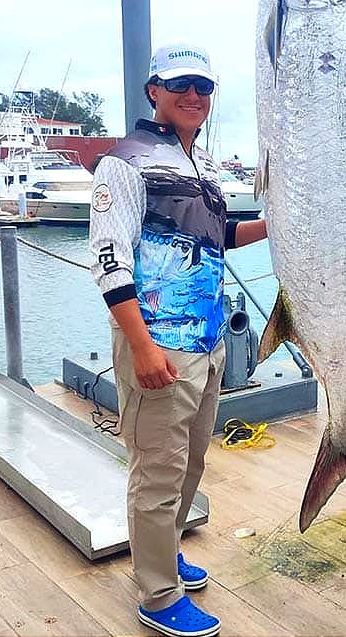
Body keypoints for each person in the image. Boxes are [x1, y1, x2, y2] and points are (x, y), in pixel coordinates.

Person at [89, 43, 266, 637]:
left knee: (189, 461)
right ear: (153, 92)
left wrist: (276, 224)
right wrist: (141, 346)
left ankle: (162, 553)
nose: (195, 96)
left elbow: (220, 236)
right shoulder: (124, 161)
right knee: (156, 470)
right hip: (159, 343)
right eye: (181, 84)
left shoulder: (205, 165)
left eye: (205, 87)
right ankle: (158, 593)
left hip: (209, 341)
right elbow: (110, 259)